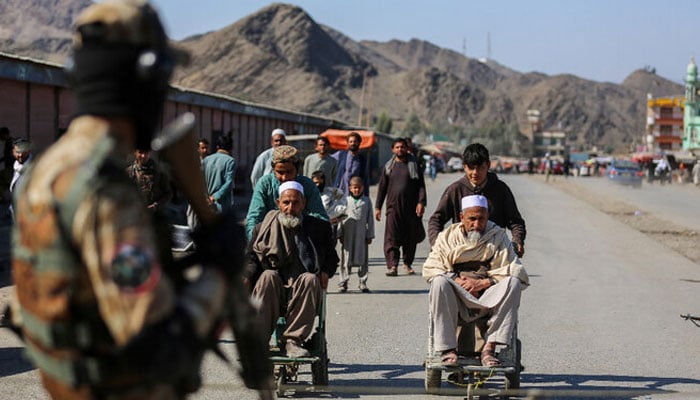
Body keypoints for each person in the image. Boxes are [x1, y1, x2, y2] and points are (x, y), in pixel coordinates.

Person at [8, 2, 232, 398]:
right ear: (147, 81)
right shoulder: (106, 192)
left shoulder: (46, 169)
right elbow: (156, 343)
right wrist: (217, 273)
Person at [423, 195, 529, 367]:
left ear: (487, 217)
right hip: (457, 296)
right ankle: (448, 349)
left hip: (488, 297)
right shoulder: (448, 237)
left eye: (481, 219)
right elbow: (431, 267)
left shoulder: (498, 236)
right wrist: (456, 280)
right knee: (439, 282)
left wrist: (482, 283)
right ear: (461, 217)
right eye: (472, 219)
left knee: (514, 282)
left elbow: (515, 269)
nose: (477, 224)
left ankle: (489, 347)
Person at [244, 181, 338, 357]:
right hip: (273, 289)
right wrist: (246, 276)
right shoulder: (262, 228)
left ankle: (293, 342)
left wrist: (326, 271)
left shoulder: (318, 228)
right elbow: (251, 258)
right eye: (286, 202)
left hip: (303, 290)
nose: (290, 207)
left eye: (295, 203)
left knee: (310, 278)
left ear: (303, 203)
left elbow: (332, 258)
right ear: (278, 203)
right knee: (267, 275)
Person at [428, 143, 526, 256]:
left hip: (495, 253)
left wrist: (518, 241)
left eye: (480, 168)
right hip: (462, 253)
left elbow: (515, 222)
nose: (475, 173)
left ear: (488, 165)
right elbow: (436, 220)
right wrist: (437, 245)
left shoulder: (501, 189)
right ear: (464, 166)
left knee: (516, 272)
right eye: (471, 168)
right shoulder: (455, 190)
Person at [246, 144, 328, 239]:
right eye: (280, 172)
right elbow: (254, 218)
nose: (284, 177)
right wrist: (255, 241)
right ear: (273, 170)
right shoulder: (265, 184)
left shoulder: (307, 185)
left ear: (297, 170)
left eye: (289, 172)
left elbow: (320, 216)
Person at [375, 138, 426, 276]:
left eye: (402, 147)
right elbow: (382, 188)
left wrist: (421, 202)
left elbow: (421, 185)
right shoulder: (388, 166)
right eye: (397, 147)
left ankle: (407, 263)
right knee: (391, 237)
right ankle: (392, 266)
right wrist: (378, 207)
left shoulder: (414, 165)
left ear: (406, 148)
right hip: (393, 207)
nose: (400, 150)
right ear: (393, 149)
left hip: (411, 208)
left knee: (410, 237)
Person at [337, 176, 374, 293]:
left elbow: (370, 219)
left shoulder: (366, 201)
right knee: (345, 258)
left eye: (359, 188)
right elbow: (340, 218)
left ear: (362, 188)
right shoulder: (345, 201)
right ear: (350, 188)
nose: (357, 190)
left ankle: (362, 282)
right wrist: (340, 233)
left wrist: (370, 234)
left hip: (361, 235)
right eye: (354, 188)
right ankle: (344, 282)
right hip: (348, 234)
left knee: (362, 257)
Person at [126, 148, 172, 213]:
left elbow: (168, 193)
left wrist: (155, 206)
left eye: (146, 153)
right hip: (135, 213)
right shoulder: (129, 172)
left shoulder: (159, 170)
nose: (143, 156)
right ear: (135, 153)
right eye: (140, 152)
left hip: (156, 214)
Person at [202, 134, 236, 213]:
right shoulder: (230, 161)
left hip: (206, 203)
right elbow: (229, 182)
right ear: (231, 148)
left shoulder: (206, 160)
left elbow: (200, 180)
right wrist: (215, 197)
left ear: (217, 147)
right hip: (221, 205)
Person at [332, 131, 370, 196]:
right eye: (351, 142)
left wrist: (366, 196)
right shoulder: (341, 154)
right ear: (348, 143)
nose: (353, 143)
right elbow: (329, 160)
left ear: (359, 143)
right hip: (340, 192)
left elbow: (365, 178)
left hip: (355, 194)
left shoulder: (362, 159)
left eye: (355, 141)